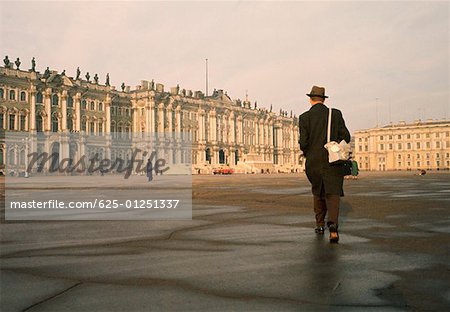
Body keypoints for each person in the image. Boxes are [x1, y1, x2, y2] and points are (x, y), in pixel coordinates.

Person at [299, 86, 350, 243]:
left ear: (310, 99)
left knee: (318, 191)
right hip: (333, 161)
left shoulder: (304, 117)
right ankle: (333, 226)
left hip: (313, 162)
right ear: (324, 99)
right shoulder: (334, 114)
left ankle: (320, 225)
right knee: (333, 193)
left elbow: (304, 143)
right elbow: (346, 136)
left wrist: (309, 151)